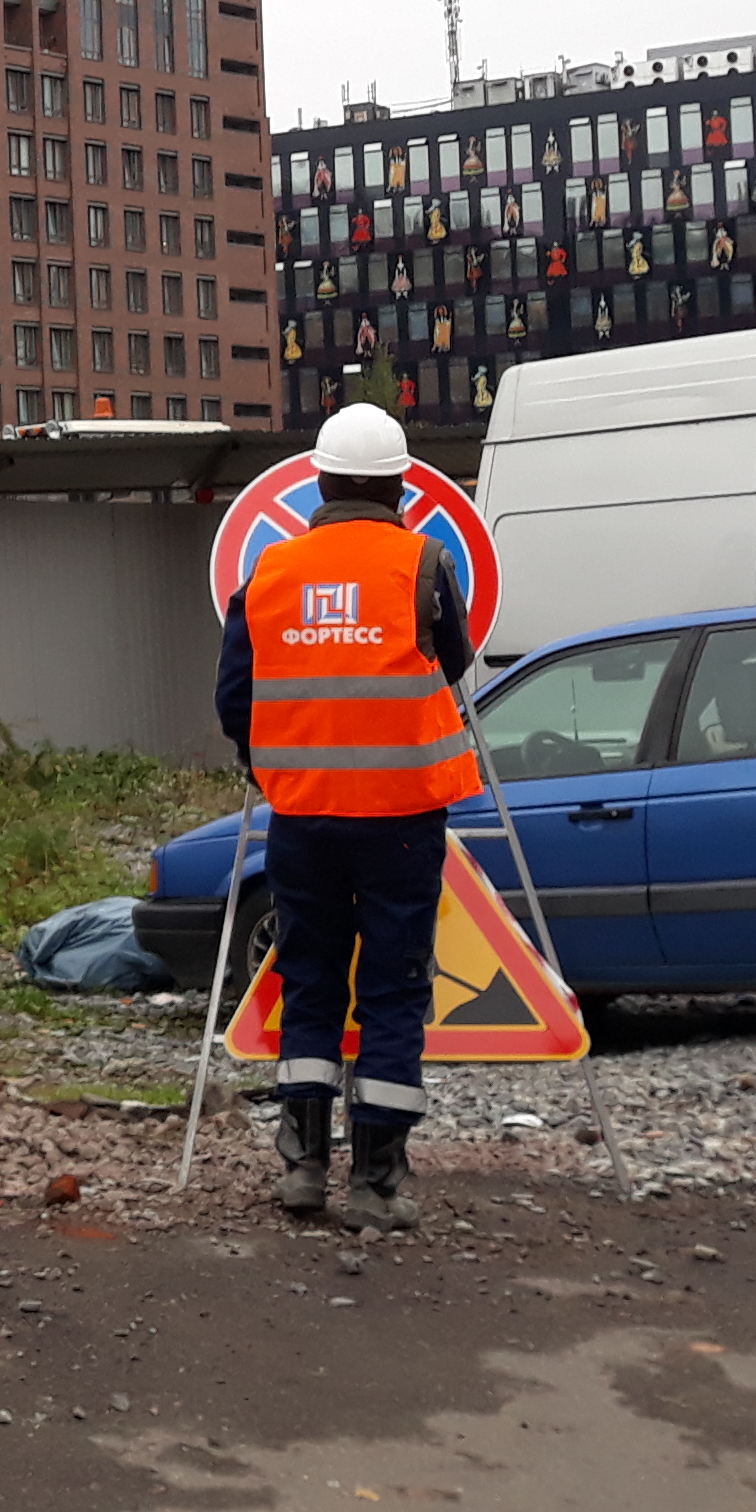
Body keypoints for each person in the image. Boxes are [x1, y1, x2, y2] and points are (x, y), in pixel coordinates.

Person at [214, 402, 477, 1232]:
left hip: (303, 819)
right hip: (401, 820)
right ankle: (376, 1183)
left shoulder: (270, 577)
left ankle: (302, 1171)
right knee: (394, 989)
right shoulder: (426, 564)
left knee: (312, 979)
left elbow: (234, 702)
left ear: (319, 484)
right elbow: (457, 663)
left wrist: (283, 766)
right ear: (402, 487)